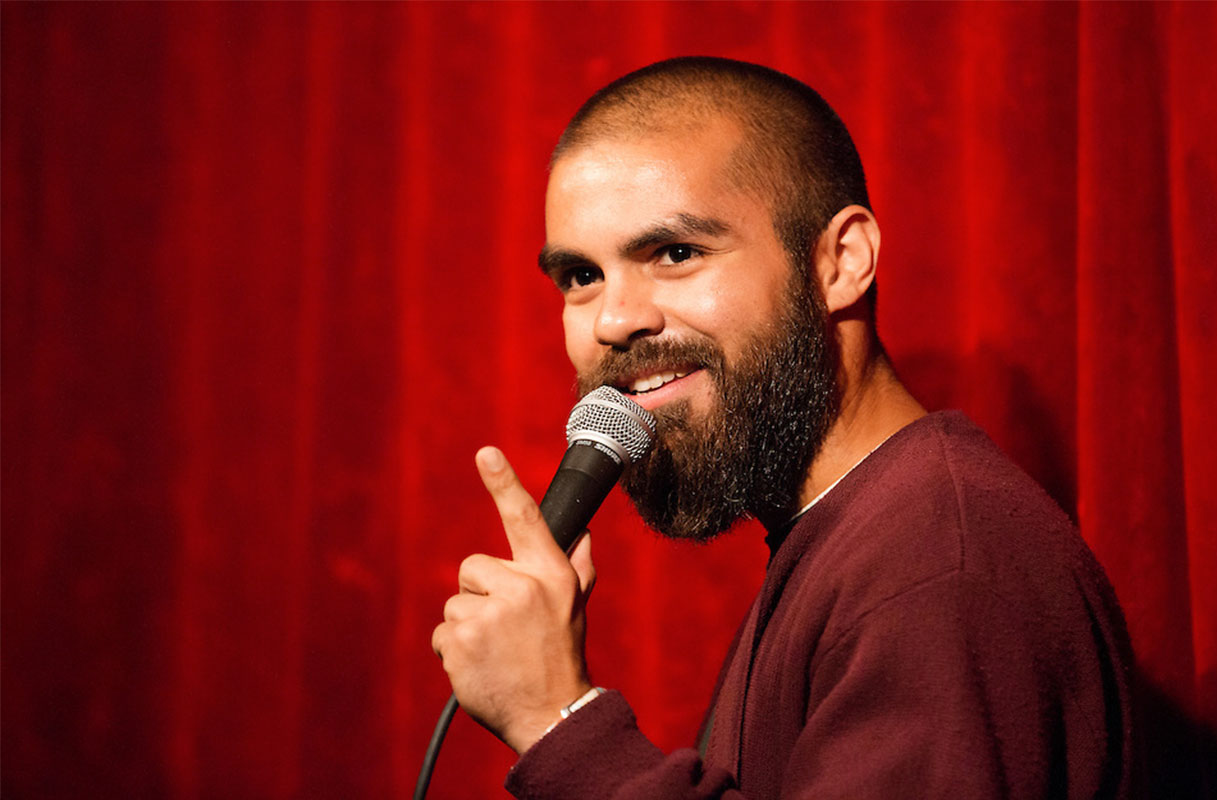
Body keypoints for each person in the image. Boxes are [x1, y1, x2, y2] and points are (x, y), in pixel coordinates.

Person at [431, 57, 1134, 799]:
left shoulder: (937, 561)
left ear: (842, 261)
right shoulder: (856, 540)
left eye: (676, 254)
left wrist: (557, 722)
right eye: (581, 276)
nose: (612, 320)